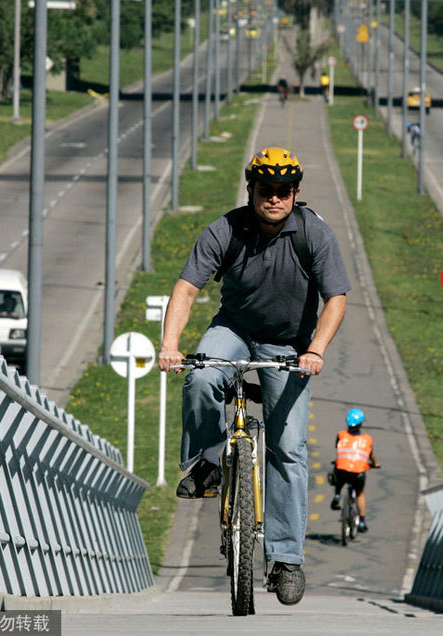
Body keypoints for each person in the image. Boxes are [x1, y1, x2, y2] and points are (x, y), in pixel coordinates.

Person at [158, 147, 350, 607]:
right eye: (267, 190)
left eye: (284, 192)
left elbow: (336, 299)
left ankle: (285, 560)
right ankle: (206, 464)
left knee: (288, 448)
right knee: (202, 375)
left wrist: (315, 350)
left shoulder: (314, 234)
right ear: (252, 190)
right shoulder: (226, 230)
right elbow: (186, 289)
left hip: (290, 346)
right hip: (235, 330)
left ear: (295, 194)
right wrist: (169, 344)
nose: (275, 199)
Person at [330, 408, 380, 533]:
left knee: (338, 476)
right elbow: (370, 455)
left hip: (342, 469)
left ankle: (337, 495)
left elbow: (339, 448)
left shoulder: (341, 435)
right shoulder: (367, 439)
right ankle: (362, 521)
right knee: (360, 494)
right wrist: (375, 464)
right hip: (358, 473)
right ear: (361, 423)